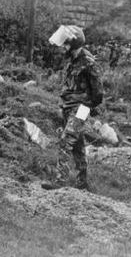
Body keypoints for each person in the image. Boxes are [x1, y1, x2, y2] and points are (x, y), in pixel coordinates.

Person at [43, 25, 103, 190]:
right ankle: (82, 182)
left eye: (66, 44)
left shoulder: (89, 63)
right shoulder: (71, 59)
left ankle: (59, 180)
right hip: (68, 107)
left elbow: (98, 94)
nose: (63, 47)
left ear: (73, 44)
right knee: (77, 145)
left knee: (65, 141)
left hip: (81, 109)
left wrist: (85, 107)